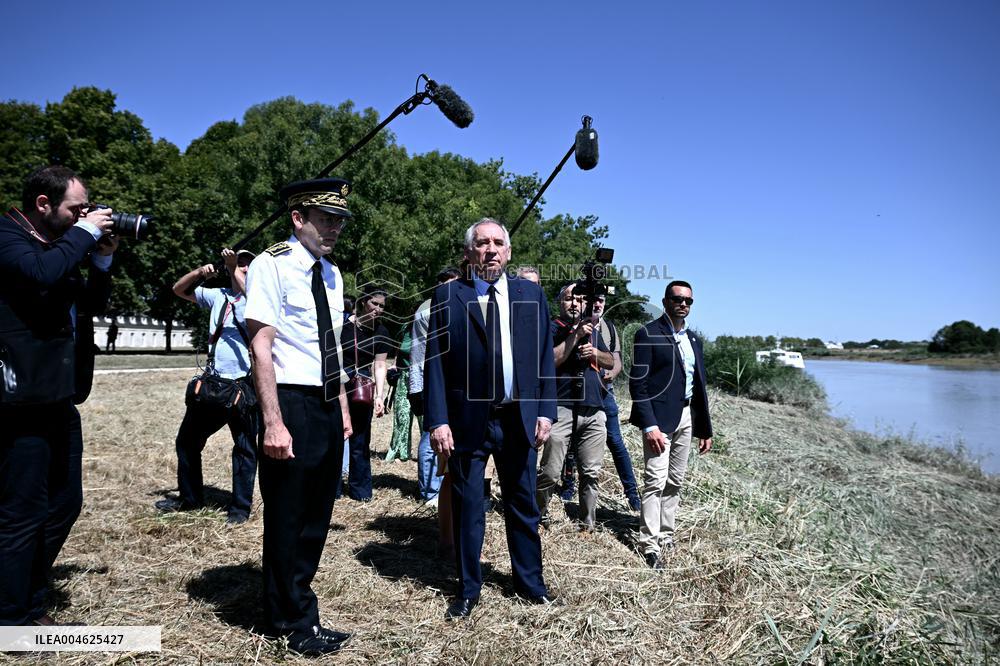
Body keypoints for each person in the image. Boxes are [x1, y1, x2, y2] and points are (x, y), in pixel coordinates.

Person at [0, 166, 117, 626]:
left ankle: (24, 587)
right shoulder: (8, 237)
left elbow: (89, 303)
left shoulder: (58, 248)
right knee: (21, 510)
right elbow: (41, 273)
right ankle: (13, 617)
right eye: (76, 209)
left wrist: (102, 260)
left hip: (57, 397)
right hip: (18, 401)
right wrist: (86, 234)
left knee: (64, 502)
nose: (84, 216)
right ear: (43, 205)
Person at [424, 218, 558, 619]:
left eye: (499, 243)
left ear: (509, 252)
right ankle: (467, 589)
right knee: (469, 508)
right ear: (469, 253)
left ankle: (530, 584)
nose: (491, 250)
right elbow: (435, 365)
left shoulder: (531, 295)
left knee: (523, 505)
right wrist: (438, 420)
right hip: (467, 421)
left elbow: (544, 359)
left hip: (520, 419)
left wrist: (546, 412)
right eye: (482, 243)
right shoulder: (449, 297)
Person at [244, 178, 354, 655]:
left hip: (328, 402)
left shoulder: (333, 274)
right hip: (289, 401)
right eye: (325, 219)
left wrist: (345, 410)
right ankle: (287, 621)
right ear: (297, 218)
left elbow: (332, 348)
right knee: (288, 513)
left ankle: (299, 608)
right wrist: (272, 420)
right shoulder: (271, 265)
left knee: (317, 513)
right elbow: (260, 346)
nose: (333, 228)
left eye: (339, 221)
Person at [155, 248, 258, 524]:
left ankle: (239, 510)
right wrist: (201, 272)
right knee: (187, 442)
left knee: (245, 448)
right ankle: (190, 499)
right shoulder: (218, 295)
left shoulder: (259, 299)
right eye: (240, 263)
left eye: (248, 264)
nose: (243, 267)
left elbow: (248, 292)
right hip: (214, 384)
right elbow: (178, 289)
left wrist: (233, 267)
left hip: (245, 385)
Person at [628, 280, 713, 570]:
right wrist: (649, 426)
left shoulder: (694, 340)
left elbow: (699, 386)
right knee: (655, 481)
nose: (683, 304)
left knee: (675, 480)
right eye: (677, 299)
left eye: (688, 300)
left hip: (687, 418)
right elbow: (638, 385)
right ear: (665, 302)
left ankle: (666, 534)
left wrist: (705, 429)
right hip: (659, 420)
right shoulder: (648, 334)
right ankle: (649, 544)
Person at [536, 283, 614, 532]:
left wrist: (594, 353)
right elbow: (550, 360)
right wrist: (576, 336)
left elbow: (611, 360)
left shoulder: (593, 330)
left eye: (580, 299)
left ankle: (587, 525)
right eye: (569, 298)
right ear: (560, 302)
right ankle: (538, 515)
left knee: (591, 473)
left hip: (593, 408)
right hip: (560, 406)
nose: (574, 304)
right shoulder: (550, 327)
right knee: (550, 471)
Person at [559, 293, 642, 512]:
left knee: (615, 441)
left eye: (602, 300)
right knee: (569, 443)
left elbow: (616, 361)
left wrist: (610, 374)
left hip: (604, 392)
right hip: (577, 393)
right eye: (593, 299)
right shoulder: (572, 324)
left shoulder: (608, 327)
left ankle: (632, 492)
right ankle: (568, 486)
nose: (598, 304)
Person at [339, 287, 391, 502]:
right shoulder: (342, 325)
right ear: (363, 302)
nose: (378, 309)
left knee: (360, 440)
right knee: (334, 436)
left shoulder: (382, 332)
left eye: (382, 306)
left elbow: (380, 365)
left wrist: (379, 395)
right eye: (374, 304)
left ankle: (360, 490)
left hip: (363, 389)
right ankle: (331, 489)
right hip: (338, 385)